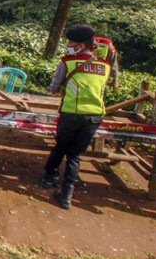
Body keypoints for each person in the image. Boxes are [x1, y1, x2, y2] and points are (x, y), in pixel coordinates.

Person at [39, 24, 111, 210]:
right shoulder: (105, 66)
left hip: (71, 113)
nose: (69, 46)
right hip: (94, 116)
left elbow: (53, 88)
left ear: (81, 45)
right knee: (75, 155)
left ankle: (49, 177)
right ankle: (67, 195)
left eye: (71, 43)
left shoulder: (68, 63)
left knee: (60, 146)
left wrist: (59, 89)